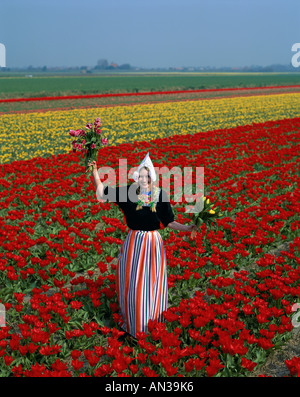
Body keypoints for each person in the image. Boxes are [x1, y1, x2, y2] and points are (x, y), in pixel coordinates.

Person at [89, 153, 197, 339]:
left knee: (152, 283)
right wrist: (94, 172)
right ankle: (134, 323)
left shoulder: (160, 195)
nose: (144, 179)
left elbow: (169, 222)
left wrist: (188, 228)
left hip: (152, 244)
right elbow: (101, 192)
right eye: (141, 176)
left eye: (147, 176)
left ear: (152, 178)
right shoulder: (127, 193)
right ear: (136, 177)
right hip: (134, 244)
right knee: (133, 283)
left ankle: (152, 323)